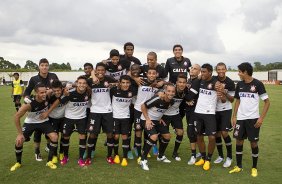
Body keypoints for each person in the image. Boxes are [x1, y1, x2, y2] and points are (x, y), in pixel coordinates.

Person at [229, 62, 270, 177]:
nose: (238, 74)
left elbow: (267, 102)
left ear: (245, 72)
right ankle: (239, 166)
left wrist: (261, 118)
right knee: (238, 141)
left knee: (253, 143)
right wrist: (234, 116)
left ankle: (254, 167)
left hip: (253, 119)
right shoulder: (240, 84)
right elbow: (237, 100)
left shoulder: (258, 84)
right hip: (240, 119)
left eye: (239, 72)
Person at [10, 83, 58, 171]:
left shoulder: (47, 94)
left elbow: (58, 95)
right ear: (36, 93)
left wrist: (47, 112)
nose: (44, 94)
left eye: (45, 92)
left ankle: (49, 161)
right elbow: (16, 117)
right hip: (30, 123)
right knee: (19, 141)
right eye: (41, 93)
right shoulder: (29, 104)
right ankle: (18, 163)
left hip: (43, 121)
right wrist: (20, 134)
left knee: (54, 137)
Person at [23, 58, 59, 161]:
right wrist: (27, 99)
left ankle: (48, 146)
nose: (44, 67)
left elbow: (58, 87)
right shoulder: (34, 79)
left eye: (46, 65)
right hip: (38, 109)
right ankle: (37, 152)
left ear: (48, 66)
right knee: (38, 131)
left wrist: (50, 91)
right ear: (39, 67)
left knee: (50, 129)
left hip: (50, 106)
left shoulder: (53, 76)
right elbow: (27, 93)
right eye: (42, 65)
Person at [193, 63, 224, 171]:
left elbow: (223, 99)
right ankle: (202, 157)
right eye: (201, 71)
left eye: (204, 71)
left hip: (210, 114)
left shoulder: (216, 83)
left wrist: (221, 92)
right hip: (198, 113)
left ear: (210, 72)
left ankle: (208, 160)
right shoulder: (200, 80)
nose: (202, 73)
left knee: (211, 137)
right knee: (199, 137)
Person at [86, 62, 118, 165]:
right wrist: (92, 75)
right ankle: (89, 156)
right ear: (95, 70)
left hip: (107, 111)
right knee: (92, 134)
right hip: (95, 111)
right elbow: (81, 84)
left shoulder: (108, 79)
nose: (100, 72)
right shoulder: (90, 80)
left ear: (105, 71)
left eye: (102, 70)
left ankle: (109, 156)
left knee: (109, 134)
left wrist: (113, 84)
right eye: (98, 70)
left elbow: (119, 83)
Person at [139, 84, 176, 171]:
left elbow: (160, 110)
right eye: (169, 91)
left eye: (173, 91)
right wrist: (148, 119)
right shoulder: (158, 99)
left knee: (167, 136)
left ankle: (160, 156)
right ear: (165, 91)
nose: (171, 93)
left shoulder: (172, 101)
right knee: (154, 136)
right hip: (146, 119)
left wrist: (160, 118)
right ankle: (143, 160)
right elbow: (143, 106)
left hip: (157, 120)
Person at [133, 67, 160, 162]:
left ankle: (145, 150)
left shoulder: (158, 84)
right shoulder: (141, 81)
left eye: (154, 73)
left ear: (156, 74)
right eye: (150, 73)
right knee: (138, 131)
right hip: (138, 109)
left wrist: (162, 83)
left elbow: (167, 84)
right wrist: (134, 78)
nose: (152, 75)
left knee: (147, 131)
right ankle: (139, 152)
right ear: (147, 74)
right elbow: (130, 75)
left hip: (148, 111)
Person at [159, 74, 188, 161]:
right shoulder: (171, 90)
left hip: (176, 114)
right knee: (164, 136)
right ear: (176, 83)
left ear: (186, 83)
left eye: (184, 82)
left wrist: (189, 100)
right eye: (180, 82)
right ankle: (161, 154)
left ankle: (175, 152)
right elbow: (160, 93)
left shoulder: (186, 90)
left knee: (180, 132)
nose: (182, 84)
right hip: (164, 115)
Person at [111, 75, 137, 166]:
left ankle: (125, 157)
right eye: (123, 82)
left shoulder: (132, 91)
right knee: (116, 136)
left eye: (127, 83)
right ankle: (116, 155)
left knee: (125, 136)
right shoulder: (114, 90)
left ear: (129, 83)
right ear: (120, 83)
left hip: (126, 117)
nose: (125, 84)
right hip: (115, 117)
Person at [213, 62, 235, 168]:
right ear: (216, 70)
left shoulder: (230, 82)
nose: (221, 71)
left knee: (224, 133)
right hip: (214, 110)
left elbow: (232, 100)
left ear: (226, 70)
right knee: (217, 134)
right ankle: (221, 156)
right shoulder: (214, 79)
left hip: (226, 109)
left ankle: (229, 157)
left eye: (223, 69)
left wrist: (224, 92)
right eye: (219, 69)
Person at [185, 64, 201, 165]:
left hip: (196, 110)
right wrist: (186, 101)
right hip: (189, 110)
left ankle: (193, 156)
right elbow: (187, 98)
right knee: (193, 132)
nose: (192, 70)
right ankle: (199, 153)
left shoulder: (197, 81)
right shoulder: (189, 81)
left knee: (192, 132)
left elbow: (190, 96)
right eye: (191, 68)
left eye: (195, 69)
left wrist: (187, 99)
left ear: (199, 72)